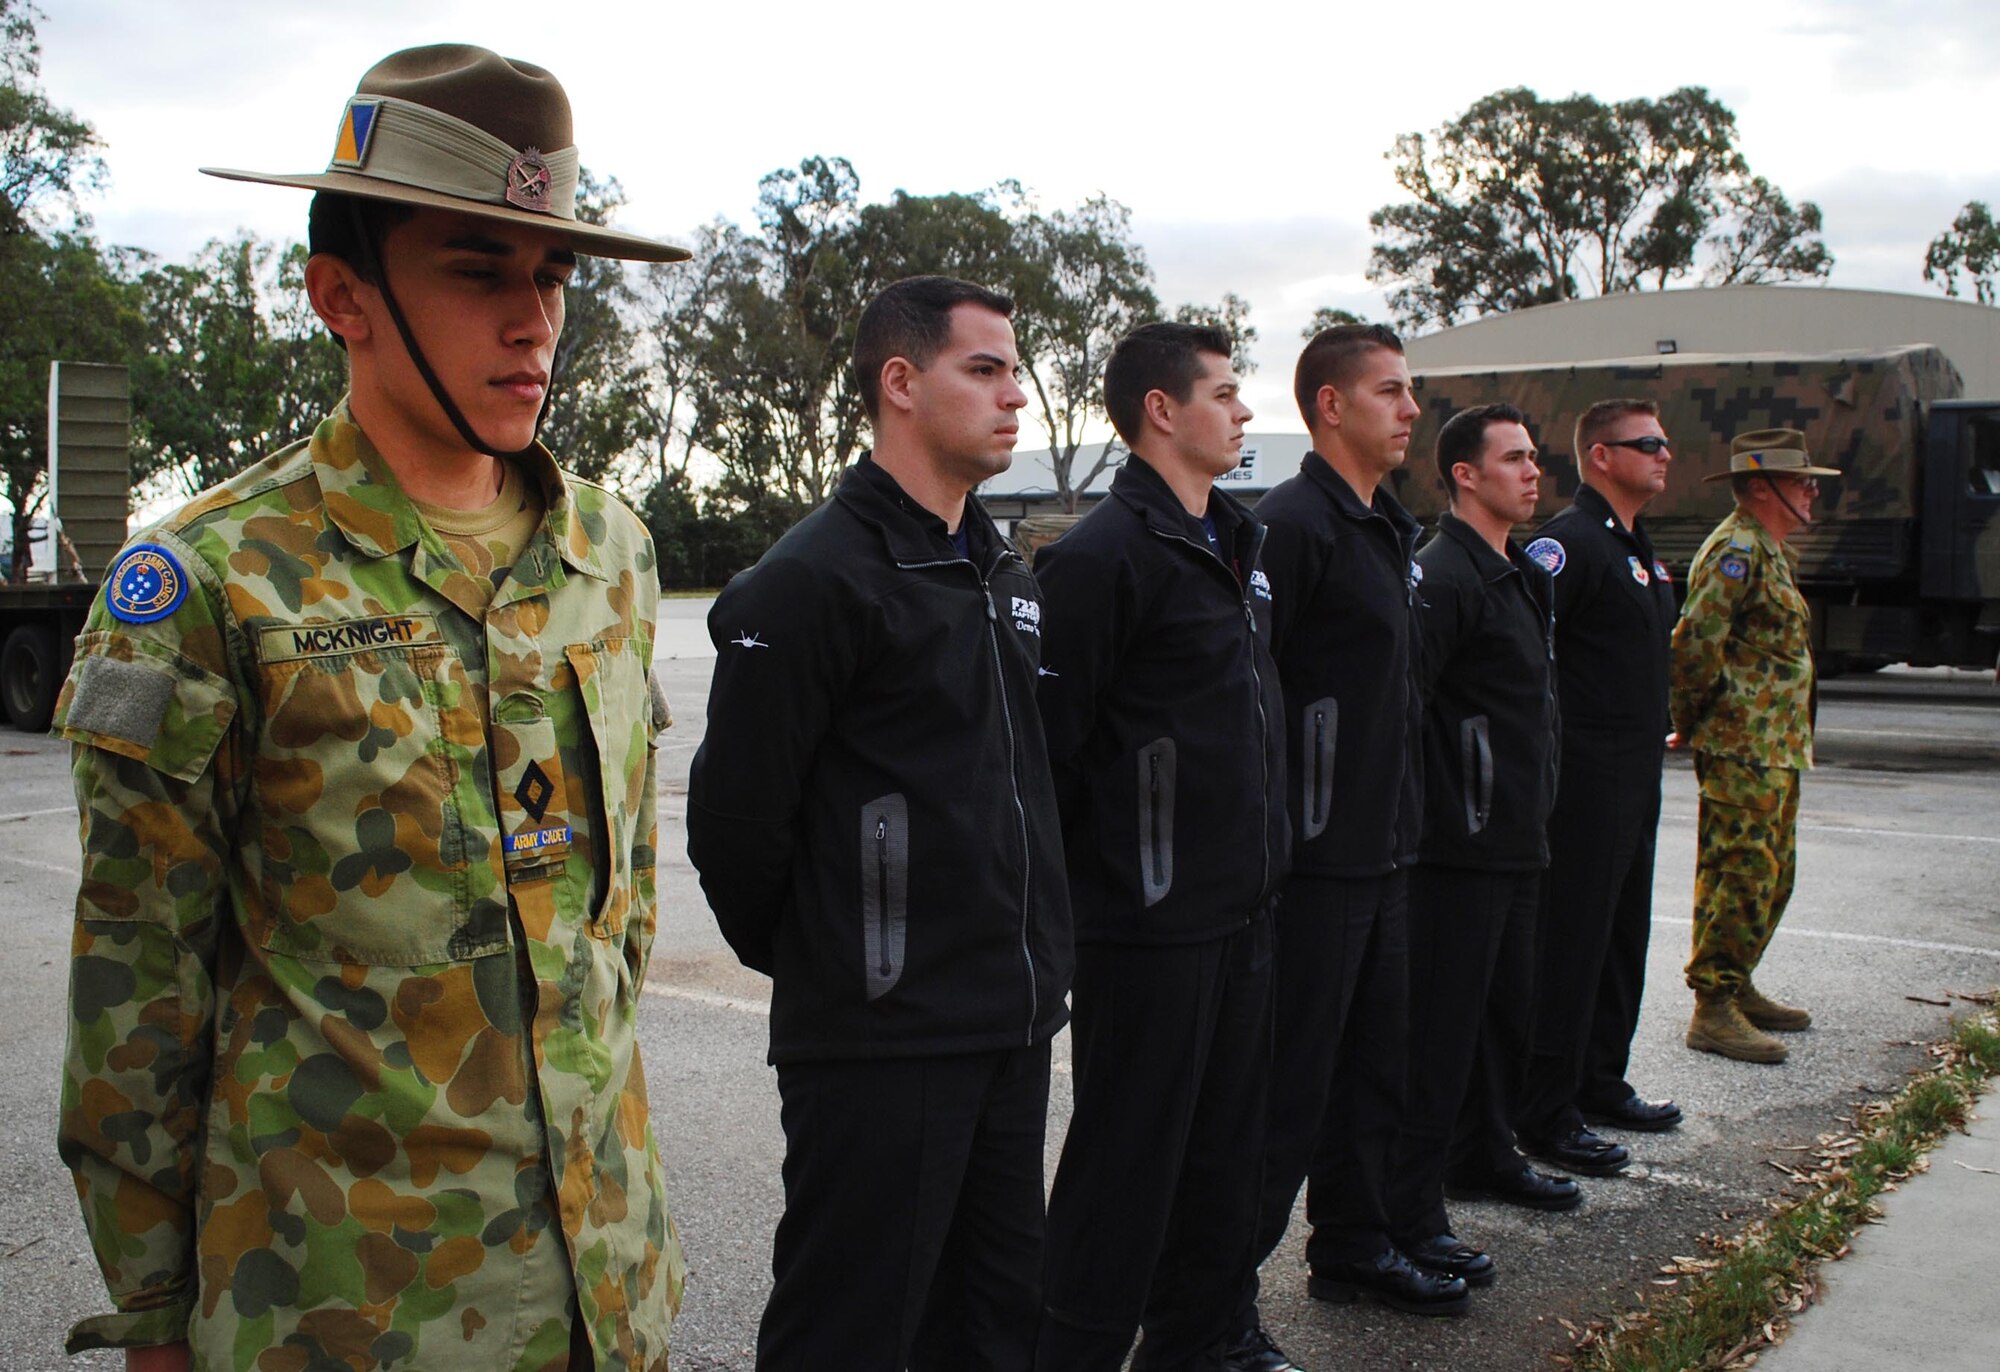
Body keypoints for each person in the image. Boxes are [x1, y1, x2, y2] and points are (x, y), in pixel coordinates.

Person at [54, 45, 688, 1372]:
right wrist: (157, 1316)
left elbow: (610, 921)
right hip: (342, 1309)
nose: (534, 321)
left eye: (553, 274)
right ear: (341, 294)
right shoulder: (212, 583)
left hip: (607, 1293)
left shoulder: (608, 555)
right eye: (478, 270)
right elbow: (139, 989)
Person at [684, 276, 1072, 1371]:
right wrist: (857, 956)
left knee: (993, 1319)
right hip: (881, 1036)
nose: (1014, 397)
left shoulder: (994, 566)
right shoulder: (812, 580)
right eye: (983, 369)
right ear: (899, 383)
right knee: (850, 1326)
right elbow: (735, 827)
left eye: (1014, 370)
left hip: (1007, 1019)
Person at [1032, 323, 1289, 1370]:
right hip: (1146, 925)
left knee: (1226, 1147)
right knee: (1127, 1159)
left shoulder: (1235, 540)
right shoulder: (1103, 557)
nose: (1238, 411)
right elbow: (1054, 755)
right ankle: (1074, 1351)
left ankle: (1203, 1337)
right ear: (1160, 411)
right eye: (1223, 394)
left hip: (1242, 908)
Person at [1226, 324, 1456, 1372]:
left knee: (1374, 1073)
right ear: (1328, 405)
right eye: (1390, 392)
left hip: (1386, 850)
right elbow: (1255, 702)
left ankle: (1354, 1247)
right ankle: (1215, 1307)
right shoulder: (1293, 527)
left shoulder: (1382, 527)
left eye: (1409, 392)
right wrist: (1289, 836)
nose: (1409, 408)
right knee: (1285, 1096)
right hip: (1316, 868)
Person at [1388, 403, 1567, 1292]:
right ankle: (1411, 1211)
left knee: (1503, 1019)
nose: (1533, 473)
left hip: (1516, 838)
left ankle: (1486, 1152)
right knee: (1440, 1038)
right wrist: (1442, 819)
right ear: (1465, 474)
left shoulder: (1519, 573)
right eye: (1515, 459)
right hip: (1459, 849)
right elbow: (1409, 710)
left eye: (1534, 458)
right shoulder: (1443, 574)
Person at [1514, 400, 1684, 1158]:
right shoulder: (1566, 547)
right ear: (1601, 457)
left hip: (1637, 771)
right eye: (1647, 444)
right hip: (1585, 778)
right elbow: (1528, 660)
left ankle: (1599, 1081)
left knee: (1622, 936)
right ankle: (1544, 1111)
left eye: (1665, 443)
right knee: (1573, 944)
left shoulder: (1637, 547)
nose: (1665, 454)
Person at [1670, 427, 1836, 1063]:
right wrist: (1691, 720)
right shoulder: (1735, 550)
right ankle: (1711, 1006)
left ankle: (1736, 985)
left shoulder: (1768, 549)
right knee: (1741, 871)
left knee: (1773, 874)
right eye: (1801, 482)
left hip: (1775, 744)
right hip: (1743, 744)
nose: (1812, 492)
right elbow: (1694, 642)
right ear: (1762, 487)